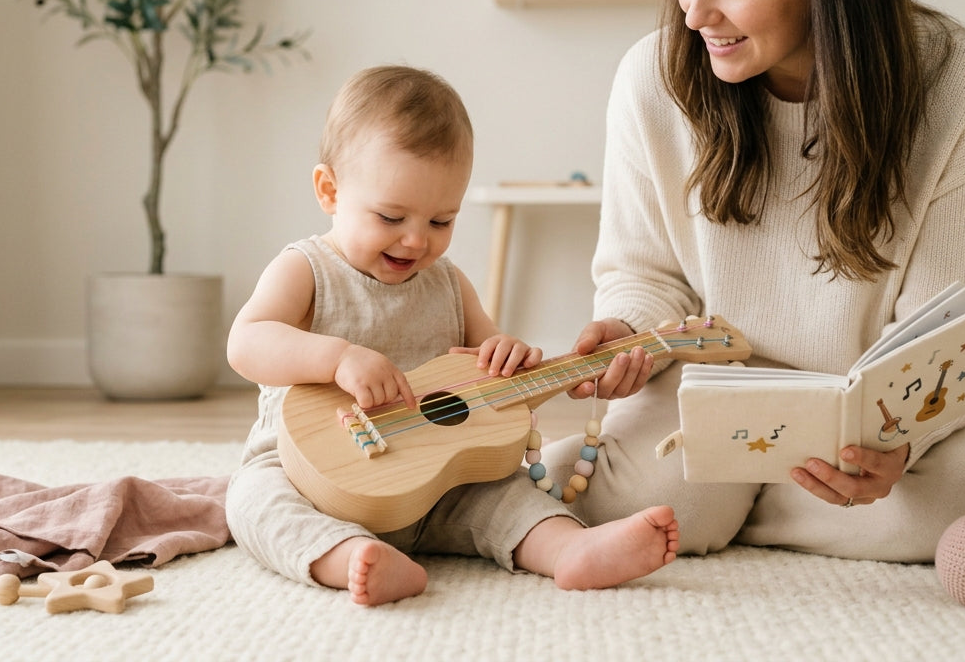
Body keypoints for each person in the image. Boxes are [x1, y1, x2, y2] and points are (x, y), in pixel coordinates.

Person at [542, 0, 965, 562]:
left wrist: (899, 443)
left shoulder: (960, 86)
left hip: (860, 411)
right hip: (707, 388)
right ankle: (732, 500)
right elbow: (643, 271)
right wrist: (627, 331)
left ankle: (726, 504)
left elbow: (947, 330)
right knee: (642, 492)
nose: (695, 12)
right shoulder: (651, 80)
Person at [225, 65, 679, 606]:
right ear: (329, 190)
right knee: (252, 500)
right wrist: (337, 357)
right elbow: (245, 343)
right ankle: (346, 554)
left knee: (506, 494)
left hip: (437, 489)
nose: (416, 240)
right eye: (391, 216)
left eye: (441, 221)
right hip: (309, 478)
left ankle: (569, 551)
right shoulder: (306, 270)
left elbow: (497, 390)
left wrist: (515, 356)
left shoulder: (449, 285)